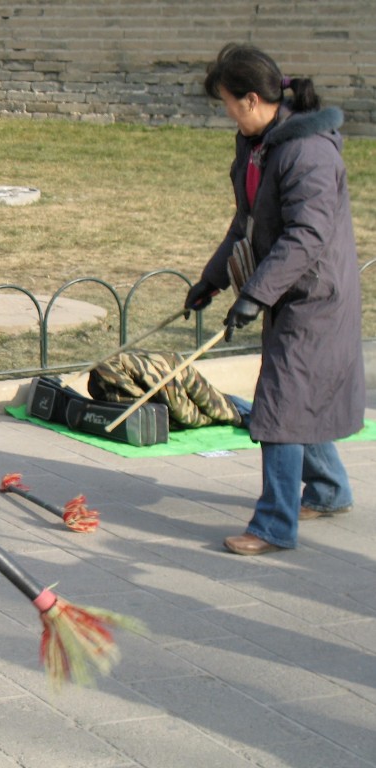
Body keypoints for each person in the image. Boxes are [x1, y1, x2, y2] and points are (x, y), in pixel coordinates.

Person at [184, 43, 365, 556]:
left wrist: (255, 295)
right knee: (298, 397)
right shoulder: (258, 144)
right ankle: (328, 491)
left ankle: (274, 525)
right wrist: (214, 279)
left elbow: (307, 236)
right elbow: (247, 221)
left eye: (225, 102)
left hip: (314, 298)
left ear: (249, 99)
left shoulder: (308, 151)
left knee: (281, 404)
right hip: (286, 289)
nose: (225, 113)